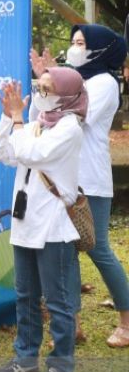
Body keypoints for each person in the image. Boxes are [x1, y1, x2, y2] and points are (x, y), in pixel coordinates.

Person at [0, 69, 86, 372]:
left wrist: (18, 119)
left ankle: (61, 367)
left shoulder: (70, 128)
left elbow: (33, 154)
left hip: (53, 226)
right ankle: (25, 358)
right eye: (39, 87)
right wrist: (8, 118)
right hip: (25, 222)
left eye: (49, 88)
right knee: (25, 295)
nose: (42, 92)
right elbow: (1, 153)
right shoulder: (36, 124)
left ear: (68, 95)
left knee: (57, 301)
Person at [40, 25, 129, 347]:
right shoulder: (80, 81)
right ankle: (73, 324)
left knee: (98, 248)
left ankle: (127, 321)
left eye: (83, 43)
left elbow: (76, 115)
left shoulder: (104, 83)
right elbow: (49, 112)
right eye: (74, 42)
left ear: (102, 50)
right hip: (66, 175)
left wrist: (54, 82)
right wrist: (49, 79)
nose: (76, 48)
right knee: (66, 250)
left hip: (90, 177)